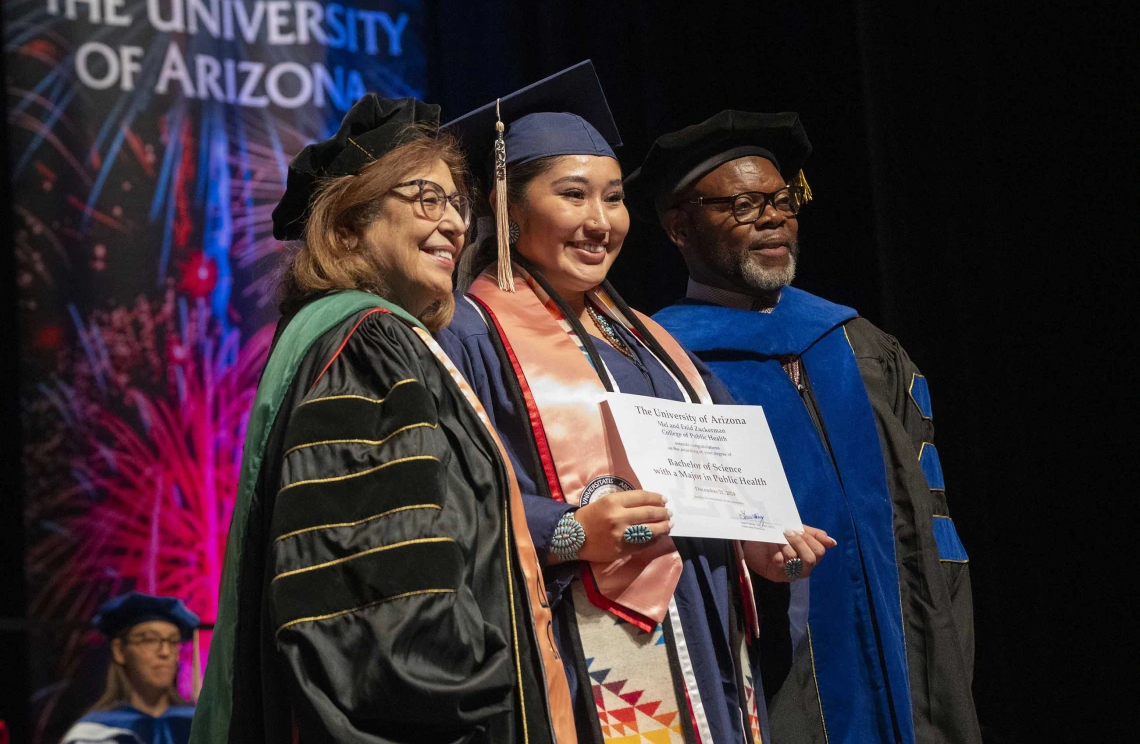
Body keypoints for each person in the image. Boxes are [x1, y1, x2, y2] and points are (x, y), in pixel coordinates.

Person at [437, 62, 835, 744]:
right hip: (582, 645)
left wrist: (763, 541)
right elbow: (451, 501)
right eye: (573, 195)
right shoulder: (467, 335)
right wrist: (569, 531)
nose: (600, 222)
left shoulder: (653, 340)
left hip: (708, 634)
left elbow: (721, 485)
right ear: (508, 207)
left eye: (614, 198)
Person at [189, 94, 574, 744]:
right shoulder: (367, 344)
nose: (455, 224)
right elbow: (384, 625)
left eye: (458, 203)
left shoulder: (355, 338)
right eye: (426, 197)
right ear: (348, 226)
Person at [625, 110, 981, 744]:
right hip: (765, 671)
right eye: (741, 203)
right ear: (679, 227)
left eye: (782, 200)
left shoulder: (860, 344)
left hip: (911, 663)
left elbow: (932, 523)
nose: (772, 217)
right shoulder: (658, 361)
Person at [61, 592, 199, 744]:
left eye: (173, 642)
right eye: (150, 640)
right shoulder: (94, 733)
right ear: (119, 651)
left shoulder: (198, 724)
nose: (165, 652)